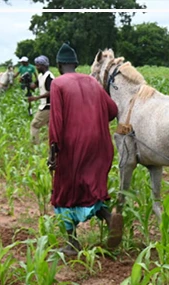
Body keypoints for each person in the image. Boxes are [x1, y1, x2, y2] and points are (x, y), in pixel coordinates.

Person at [46, 43, 119, 255]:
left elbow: (56, 121)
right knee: (90, 185)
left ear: (59, 65)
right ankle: (108, 216)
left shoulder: (58, 84)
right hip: (99, 143)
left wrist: (53, 151)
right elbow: (112, 110)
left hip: (73, 144)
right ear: (76, 64)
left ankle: (71, 243)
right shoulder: (93, 82)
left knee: (64, 190)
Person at [25, 55, 54, 144]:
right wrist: (26, 82)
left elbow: (51, 92)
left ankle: (35, 146)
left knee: (34, 125)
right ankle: (53, 145)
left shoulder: (49, 77)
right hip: (44, 105)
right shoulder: (41, 76)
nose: (36, 67)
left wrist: (36, 98)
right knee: (51, 128)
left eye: (38, 65)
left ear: (44, 66)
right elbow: (34, 86)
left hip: (48, 106)